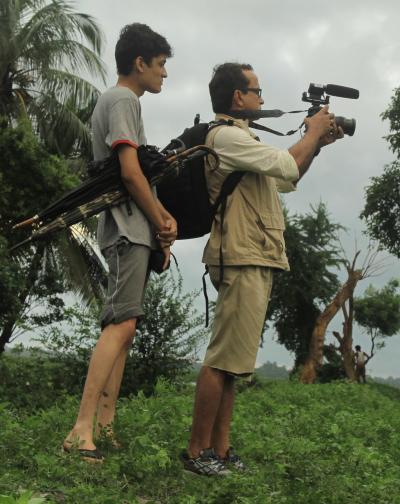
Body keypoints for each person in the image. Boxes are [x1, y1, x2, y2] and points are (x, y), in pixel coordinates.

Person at [182, 62, 343, 476]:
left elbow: (286, 179)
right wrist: (310, 132)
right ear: (238, 97)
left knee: (235, 364)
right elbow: (288, 164)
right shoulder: (228, 137)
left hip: (254, 252)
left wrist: (317, 143)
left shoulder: (244, 140)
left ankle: (221, 450)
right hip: (241, 254)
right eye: (256, 91)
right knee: (222, 360)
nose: (262, 99)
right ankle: (198, 452)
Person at [63, 23, 177, 462]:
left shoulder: (123, 102)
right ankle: (81, 428)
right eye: (161, 65)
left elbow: (138, 175)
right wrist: (157, 219)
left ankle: (105, 425)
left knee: (126, 327)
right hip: (126, 226)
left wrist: (162, 223)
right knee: (120, 324)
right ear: (140, 63)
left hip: (136, 227)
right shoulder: (123, 99)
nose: (164, 74)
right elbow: (130, 173)